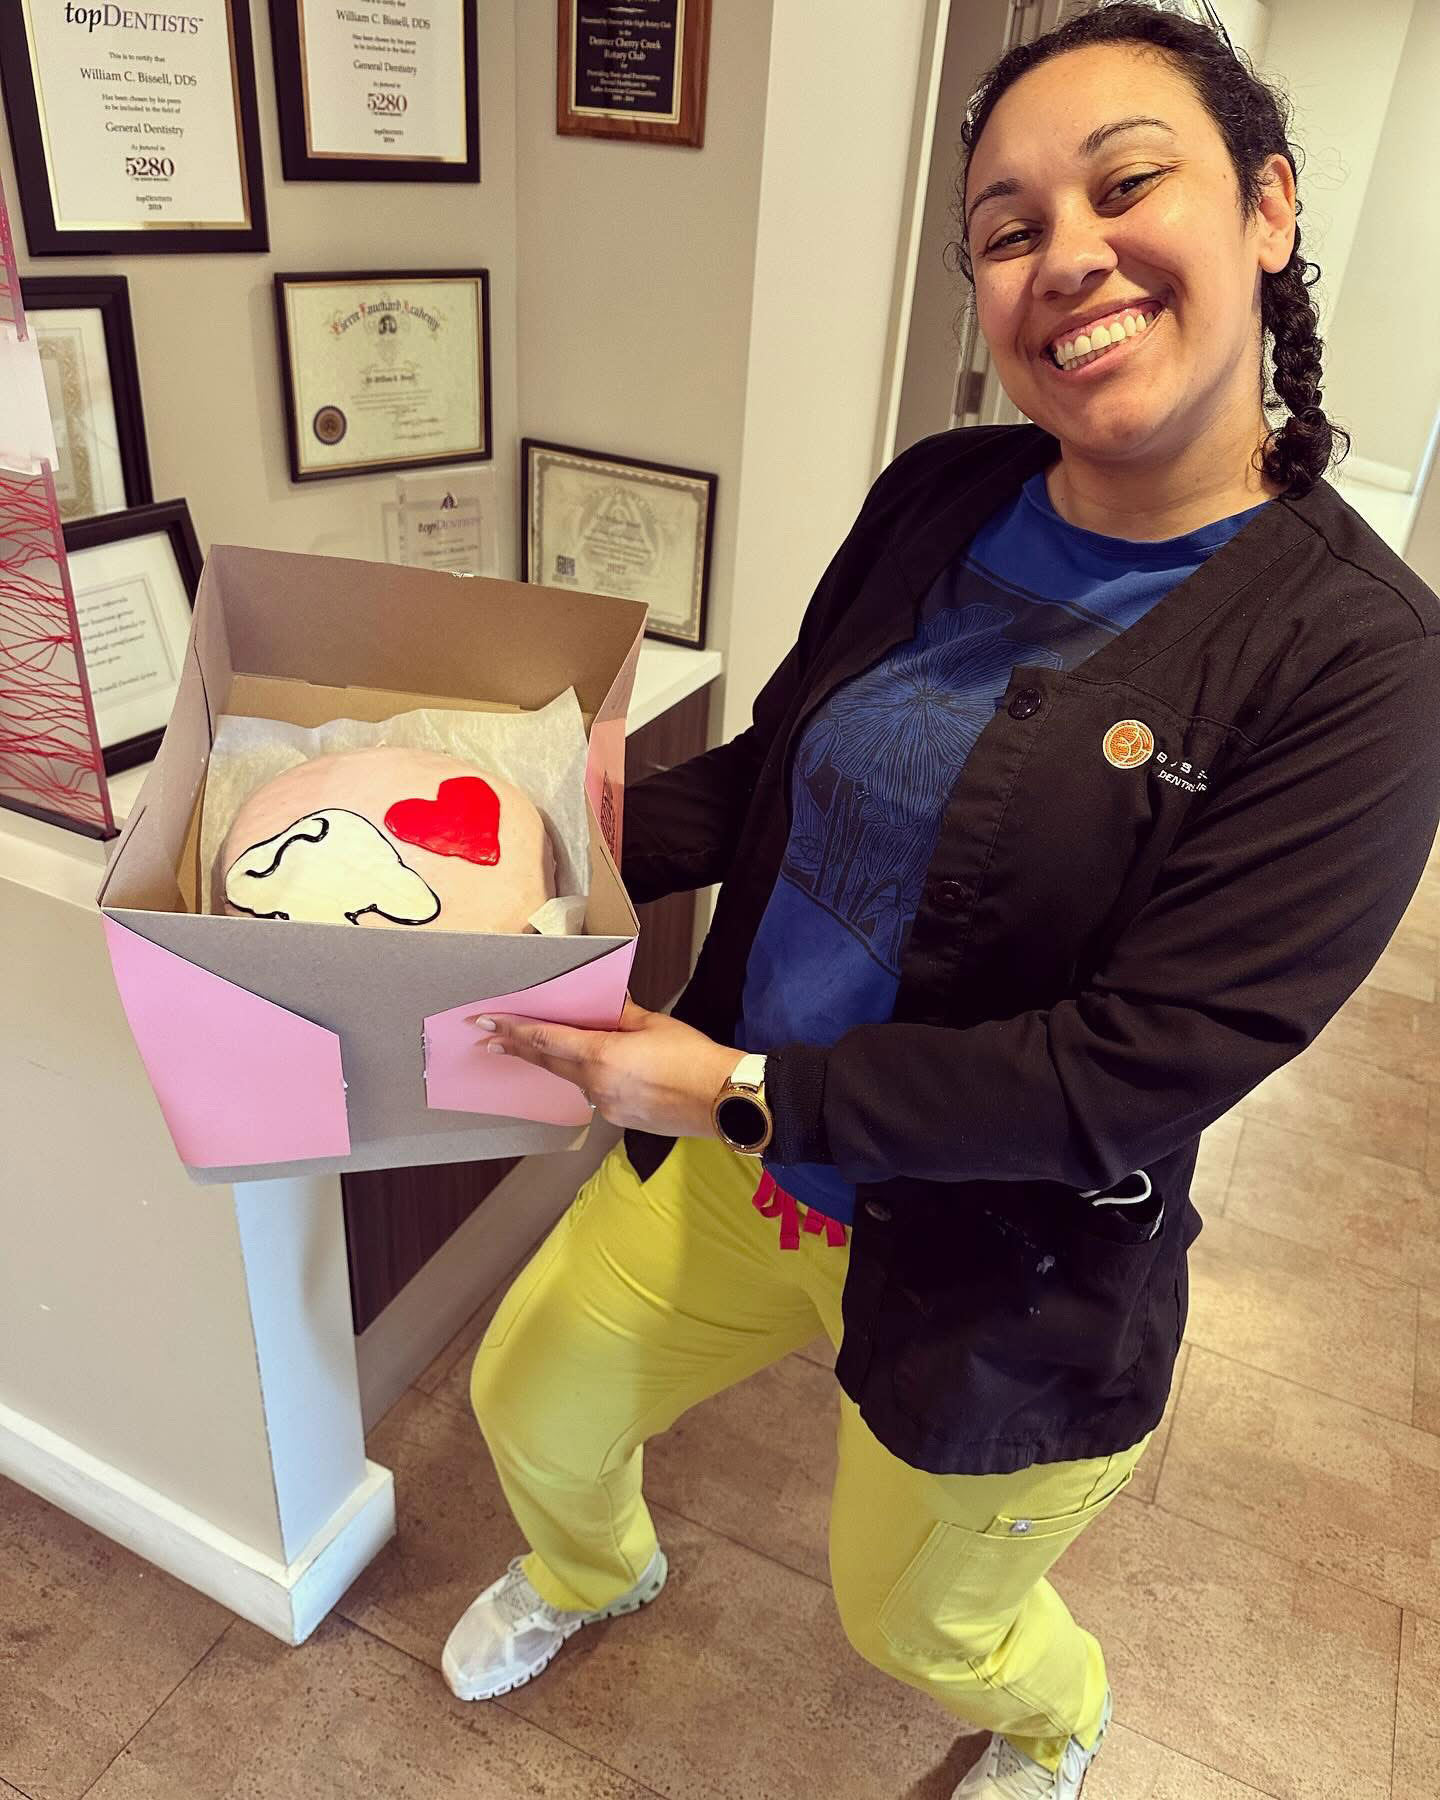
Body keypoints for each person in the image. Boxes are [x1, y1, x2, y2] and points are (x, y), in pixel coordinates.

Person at [442, 6, 1440, 1796]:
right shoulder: (942, 493)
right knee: (533, 1395)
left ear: (1268, 208)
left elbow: (1129, 1070)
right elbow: (778, 771)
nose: (1069, 255)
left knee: (917, 1627)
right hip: (743, 1172)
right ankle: (598, 1569)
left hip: (999, 1264)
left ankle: (1054, 1721)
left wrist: (727, 1087)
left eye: (1129, 184)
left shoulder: (1358, 665)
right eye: (1005, 224)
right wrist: (548, 839)